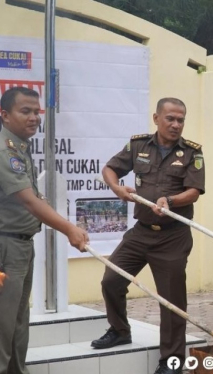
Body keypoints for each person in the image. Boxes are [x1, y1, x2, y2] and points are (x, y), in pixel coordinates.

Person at [92, 98, 205, 374]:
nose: (176, 124)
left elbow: (194, 191)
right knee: (111, 280)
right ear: (156, 118)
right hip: (141, 233)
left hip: (173, 237)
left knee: (171, 300)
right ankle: (120, 330)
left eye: (180, 120)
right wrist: (116, 186)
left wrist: (170, 200)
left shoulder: (193, 152)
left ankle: (172, 359)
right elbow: (110, 169)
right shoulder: (138, 145)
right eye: (170, 118)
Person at [0, 86, 88, 374]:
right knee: (2, 323)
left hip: (21, 246)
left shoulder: (18, 147)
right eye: (25, 111)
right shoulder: (4, 149)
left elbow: (31, 195)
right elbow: (26, 199)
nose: (34, 118)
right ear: (4, 115)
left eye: (36, 112)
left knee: (17, 321)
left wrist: (40, 201)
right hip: (5, 248)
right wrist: (69, 229)